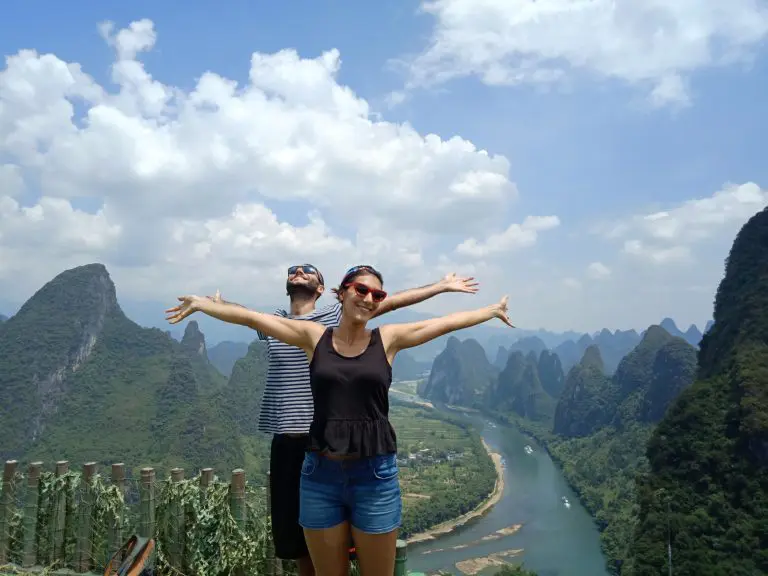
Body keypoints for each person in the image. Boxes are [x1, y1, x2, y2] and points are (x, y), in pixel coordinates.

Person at [165, 265, 513, 576]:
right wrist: (204, 304)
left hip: (373, 472)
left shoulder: (380, 335)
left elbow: (438, 323)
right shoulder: (311, 336)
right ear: (342, 292)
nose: (368, 298)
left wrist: (485, 308)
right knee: (309, 559)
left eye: (375, 294)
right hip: (318, 469)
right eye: (360, 290)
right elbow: (252, 318)